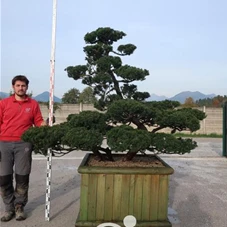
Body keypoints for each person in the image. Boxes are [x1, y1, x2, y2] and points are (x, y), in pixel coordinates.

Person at [0, 75, 46, 222]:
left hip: (24, 144)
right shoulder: (4, 103)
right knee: (3, 177)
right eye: (18, 85)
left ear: (27, 87)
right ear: (13, 87)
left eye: (23, 86)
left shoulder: (33, 104)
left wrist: (46, 127)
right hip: (3, 143)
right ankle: (8, 208)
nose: (21, 88)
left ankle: (19, 206)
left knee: (22, 176)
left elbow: (38, 121)